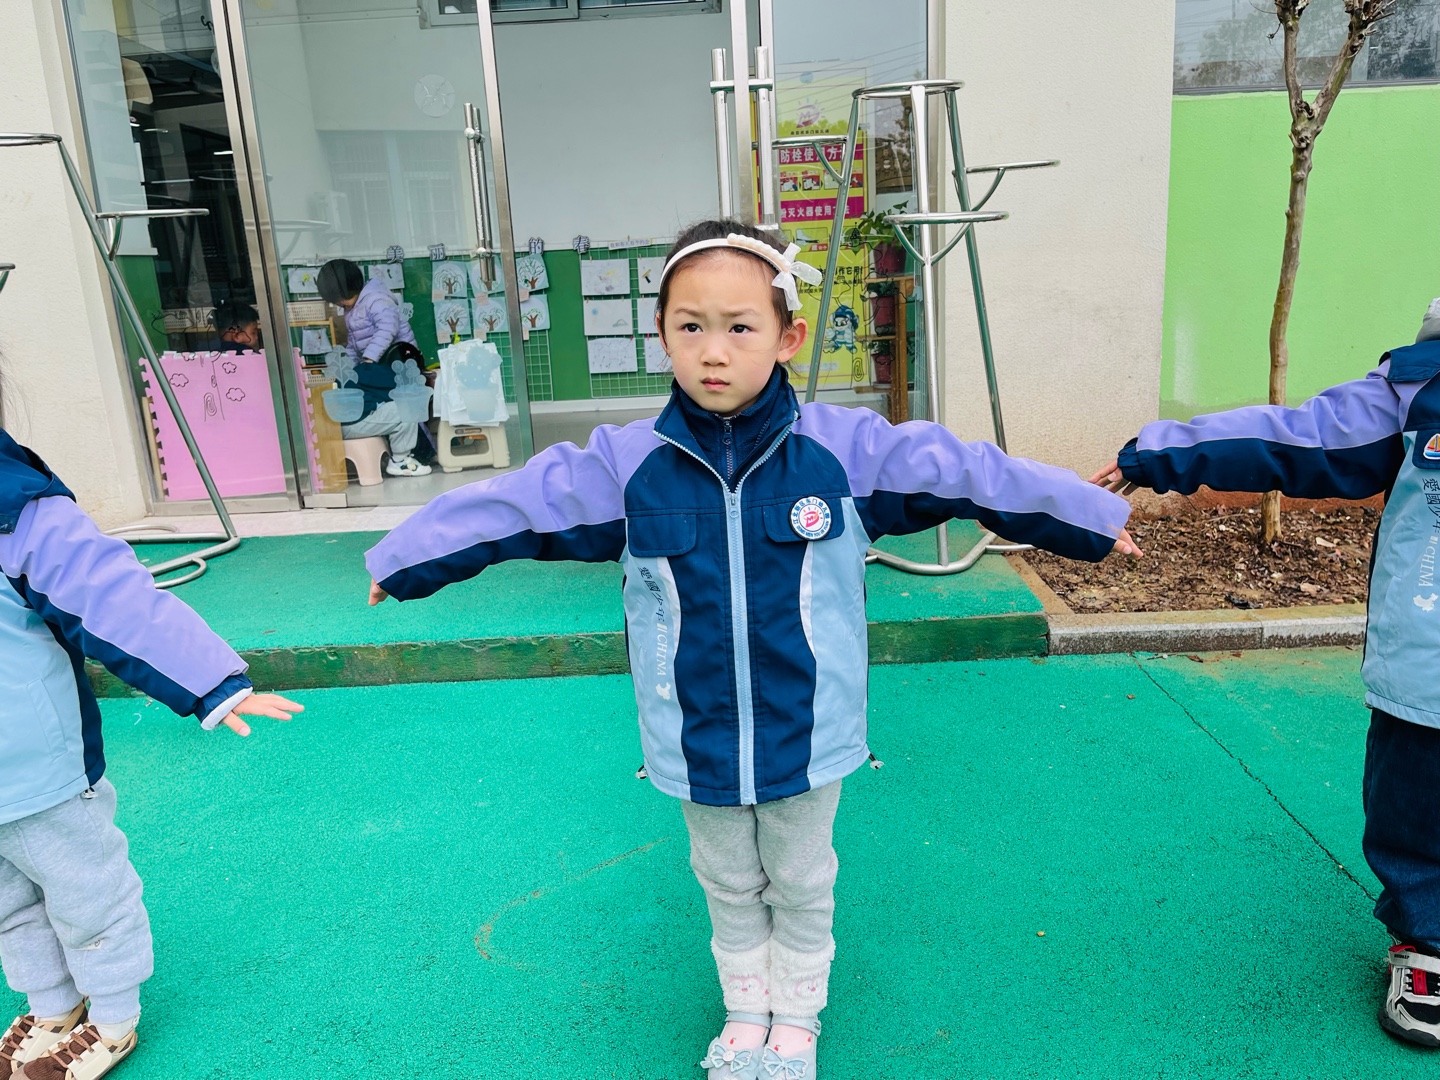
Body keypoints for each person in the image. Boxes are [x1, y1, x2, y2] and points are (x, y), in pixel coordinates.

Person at [363, 219, 1139, 1079]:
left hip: (809, 732)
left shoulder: (843, 454)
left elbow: (962, 469)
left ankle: (796, 1019)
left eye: (740, 326)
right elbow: (520, 502)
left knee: (801, 878)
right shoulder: (628, 466)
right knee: (727, 880)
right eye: (690, 326)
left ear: (788, 336)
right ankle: (744, 1013)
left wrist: (1089, 516)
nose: (714, 350)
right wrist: (407, 556)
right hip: (692, 734)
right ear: (662, 336)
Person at [1090, 297, 1440, 1050]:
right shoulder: (1421, 388)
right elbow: (1299, 437)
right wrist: (1160, 453)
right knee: (1417, 801)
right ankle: (1429, 940)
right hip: (1431, 660)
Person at [0, 431, 303, 1080]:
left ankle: (112, 1019)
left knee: (86, 893)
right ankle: (52, 1006)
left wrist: (213, 684)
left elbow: (115, 601)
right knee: (9, 907)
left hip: (40, 771)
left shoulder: (15, 508)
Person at [315, 259, 431, 478]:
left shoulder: (376, 299)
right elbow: (353, 344)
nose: (340, 304)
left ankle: (408, 455)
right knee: (379, 400)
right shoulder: (352, 308)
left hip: (398, 363)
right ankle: (401, 455)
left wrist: (368, 359)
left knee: (406, 406)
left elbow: (387, 329)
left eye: (340, 299)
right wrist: (349, 369)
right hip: (376, 365)